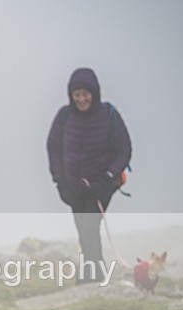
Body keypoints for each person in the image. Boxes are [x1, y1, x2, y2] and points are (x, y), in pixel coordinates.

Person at [47, 68, 132, 283]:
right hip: (73, 188)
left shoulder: (109, 114)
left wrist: (107, 178)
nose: (81, 99)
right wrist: (60, 183)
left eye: (85, 94)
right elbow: (53, 149)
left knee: (89, 227)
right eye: (77, 94)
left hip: (102, 186)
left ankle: (92, 278)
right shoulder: (64, 116)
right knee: (83, 229)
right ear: (71, 95)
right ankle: (91, 274)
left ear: (94, 93)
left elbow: (125, 149)